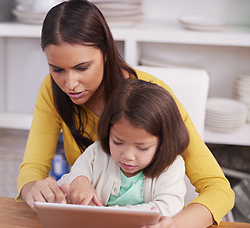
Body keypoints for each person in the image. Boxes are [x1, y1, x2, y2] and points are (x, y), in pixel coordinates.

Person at [16, 0, 234, 228]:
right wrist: (33, 191)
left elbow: (218, 189)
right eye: (57, 69)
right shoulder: (52, 91)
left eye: (82, 67)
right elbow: (33, 170)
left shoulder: (153, 98)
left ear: (106, 53)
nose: (69, 84)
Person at [57, 79, 189, 218]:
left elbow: (169, 207)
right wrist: (78, 180)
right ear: (108, 132)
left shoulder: (171, 166)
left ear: (163, 143)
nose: (128, 156)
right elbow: (65, 185)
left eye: (142, 148)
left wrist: (109, 214)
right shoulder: (96, 153)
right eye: (117, 142)